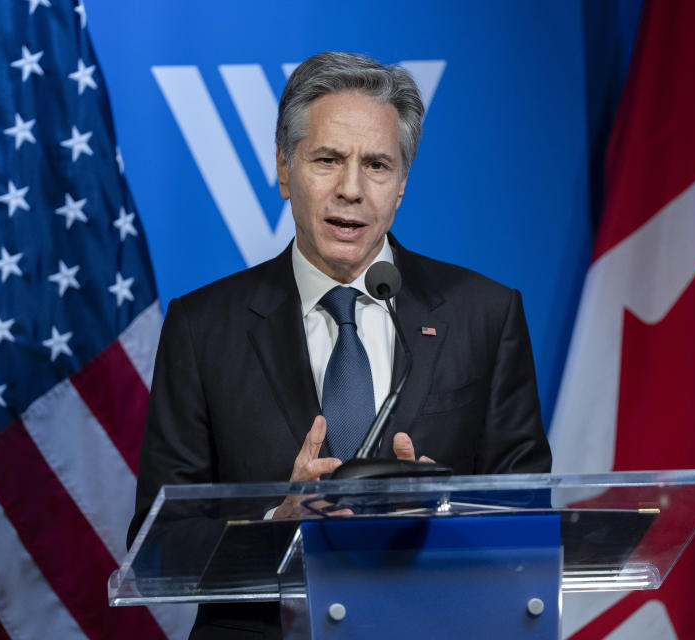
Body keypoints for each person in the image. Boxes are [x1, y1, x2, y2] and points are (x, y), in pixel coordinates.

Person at [128, 51, 552, 639]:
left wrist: (446, 512)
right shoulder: (204, 327)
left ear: (402, 182)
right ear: (283, 167)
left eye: (377, 164)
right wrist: (280, 523)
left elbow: (530, 517)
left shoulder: (485, 314)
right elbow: (160, 546)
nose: (352, 189)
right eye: (327, 159)